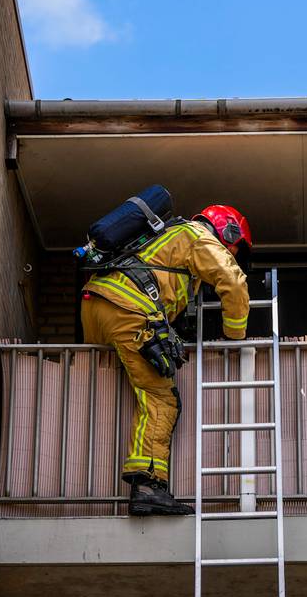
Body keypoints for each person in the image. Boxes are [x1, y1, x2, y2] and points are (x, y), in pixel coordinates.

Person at [81, 205, 252, 515]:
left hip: (98, 303)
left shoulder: (168, 234)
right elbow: (234, 281)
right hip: (128, 310)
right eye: (236, 246)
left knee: (105, 382)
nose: (234, 252)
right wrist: (234, 337)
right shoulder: (198, 237)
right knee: (161, 400)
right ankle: (148, 486)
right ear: (228, 231)